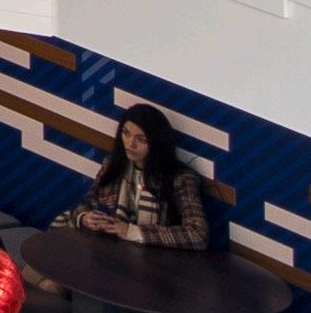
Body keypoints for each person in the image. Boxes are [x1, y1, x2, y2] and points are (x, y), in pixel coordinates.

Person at [52, 102, 206, 248]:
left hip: (149, 258)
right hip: (109, 248)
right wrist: (85, 218)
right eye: (126, 133)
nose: (130, 144)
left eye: (141, 139)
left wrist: (131, 231)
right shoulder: (114, 164)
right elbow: (87, 203)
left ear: (157, 143)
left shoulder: (180, 179)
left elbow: (198, 234)